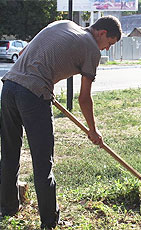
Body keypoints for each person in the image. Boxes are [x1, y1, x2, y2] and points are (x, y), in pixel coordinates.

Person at [0, 16, 122, 229]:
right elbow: (84, 98)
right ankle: (50, 222)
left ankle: (8, 207)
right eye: (109, 44)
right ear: (102, 33)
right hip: (34, 94)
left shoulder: (63, 24)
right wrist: (93, 130)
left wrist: (46, 81)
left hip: (9, 87)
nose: (105, 49)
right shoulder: (91, 49)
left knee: (9, 154)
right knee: (43, 162)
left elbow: (23, 54)